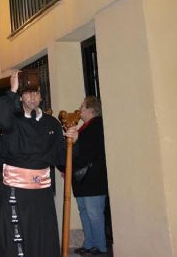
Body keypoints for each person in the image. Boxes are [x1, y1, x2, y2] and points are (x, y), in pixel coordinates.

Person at [0, 71, 78, 257]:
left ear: (41, 97)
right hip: (14, 188)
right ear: (21, 97)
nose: (32, 97)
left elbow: (62, 159)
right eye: (27, 93)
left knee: (41, 236)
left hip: (41, 194)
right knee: (16, 238)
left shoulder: (51, 123)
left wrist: (73, 142)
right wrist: (12, 89)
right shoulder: (13, 120)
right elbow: (0, 121)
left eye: (36, 93)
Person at [72, 96, 109, 256]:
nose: (79, 110)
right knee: (84, 212)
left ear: (91, 109)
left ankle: (100, 247)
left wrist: (76, 140)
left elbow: (89, 150)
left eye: (82, 107)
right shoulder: (84, 127)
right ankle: (89, 244)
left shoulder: (97, 126)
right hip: (82, 180)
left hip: (93, 179)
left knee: (94, 214)